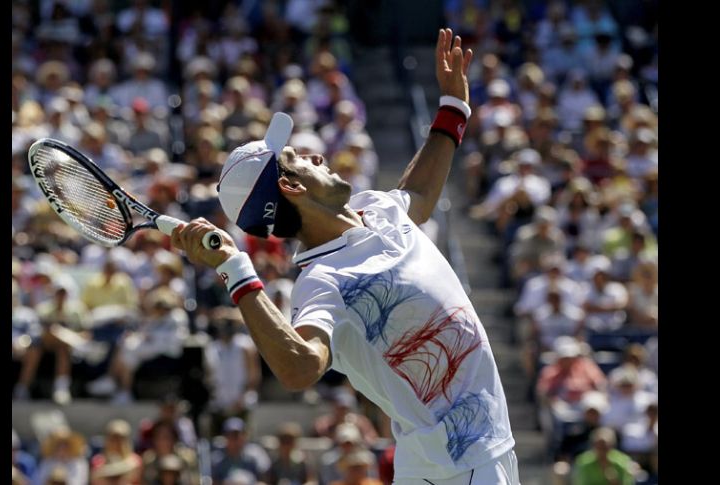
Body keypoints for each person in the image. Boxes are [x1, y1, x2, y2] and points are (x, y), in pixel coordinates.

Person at [172, 29, 518, 484]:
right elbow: (299, 368)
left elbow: (417, 193)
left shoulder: (374, 207)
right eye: (299, 159)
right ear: (291, 188)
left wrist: (453, 109)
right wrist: (237, 271)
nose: (317, 155)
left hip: (482, 452)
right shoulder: (323, 282)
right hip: (454, 471)